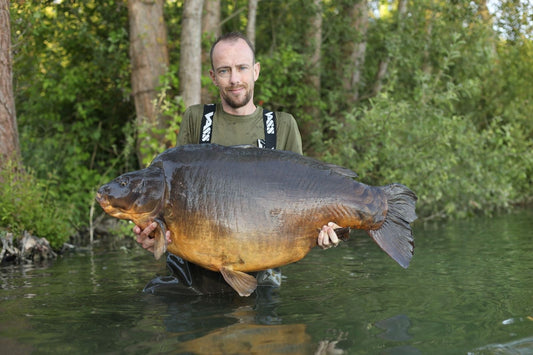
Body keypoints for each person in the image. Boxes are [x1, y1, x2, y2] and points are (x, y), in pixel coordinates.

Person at [135, 32, 342, 295]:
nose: (234, 79)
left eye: (242, 68)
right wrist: (155, 236)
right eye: (224, 70)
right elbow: (176, 203)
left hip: (262, 268)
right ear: (213, 76)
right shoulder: (196, 120)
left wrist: (330, 229)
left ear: (255, 71)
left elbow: (304, 198)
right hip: (194, 274)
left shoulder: (282, 126)